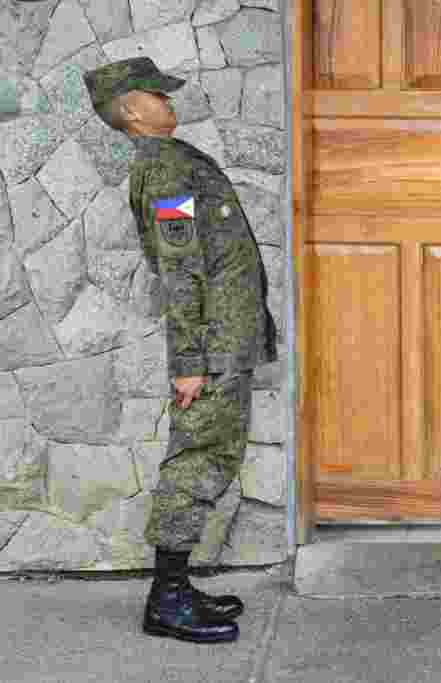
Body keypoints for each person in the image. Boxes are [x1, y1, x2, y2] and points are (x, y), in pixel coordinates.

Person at [84, 57, 278, 644]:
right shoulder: (165, 172)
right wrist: (189, 361)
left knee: (210, 459)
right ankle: (166, 599)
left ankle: (178, 587)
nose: (170, 103)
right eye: (158, 96)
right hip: (211, 349)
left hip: (225, 342)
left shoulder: (175, 160)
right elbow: (180, 270)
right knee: (196, 464)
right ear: (134, 110)